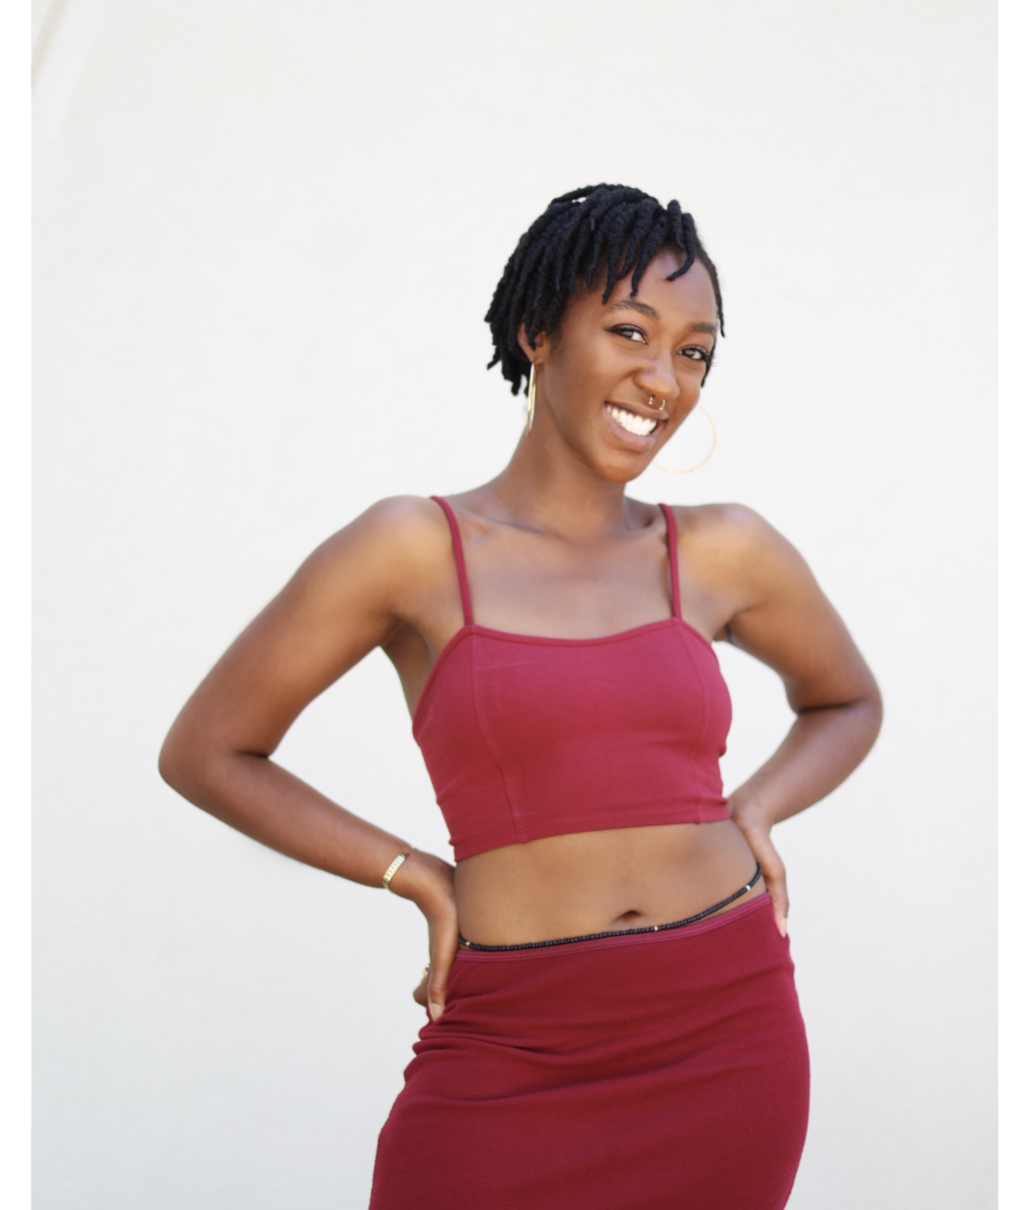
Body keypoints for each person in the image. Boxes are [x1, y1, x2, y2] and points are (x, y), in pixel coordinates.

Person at [159, 183, 882, 1209]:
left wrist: (753, 807)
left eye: (693, 350)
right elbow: (209, 749)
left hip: (726, 1030)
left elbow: (845, 699)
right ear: (534, 332)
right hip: (513, 1040)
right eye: (630, 331)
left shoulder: (723, 548)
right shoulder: (410, 547)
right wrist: (415, 873)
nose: (662, 378)